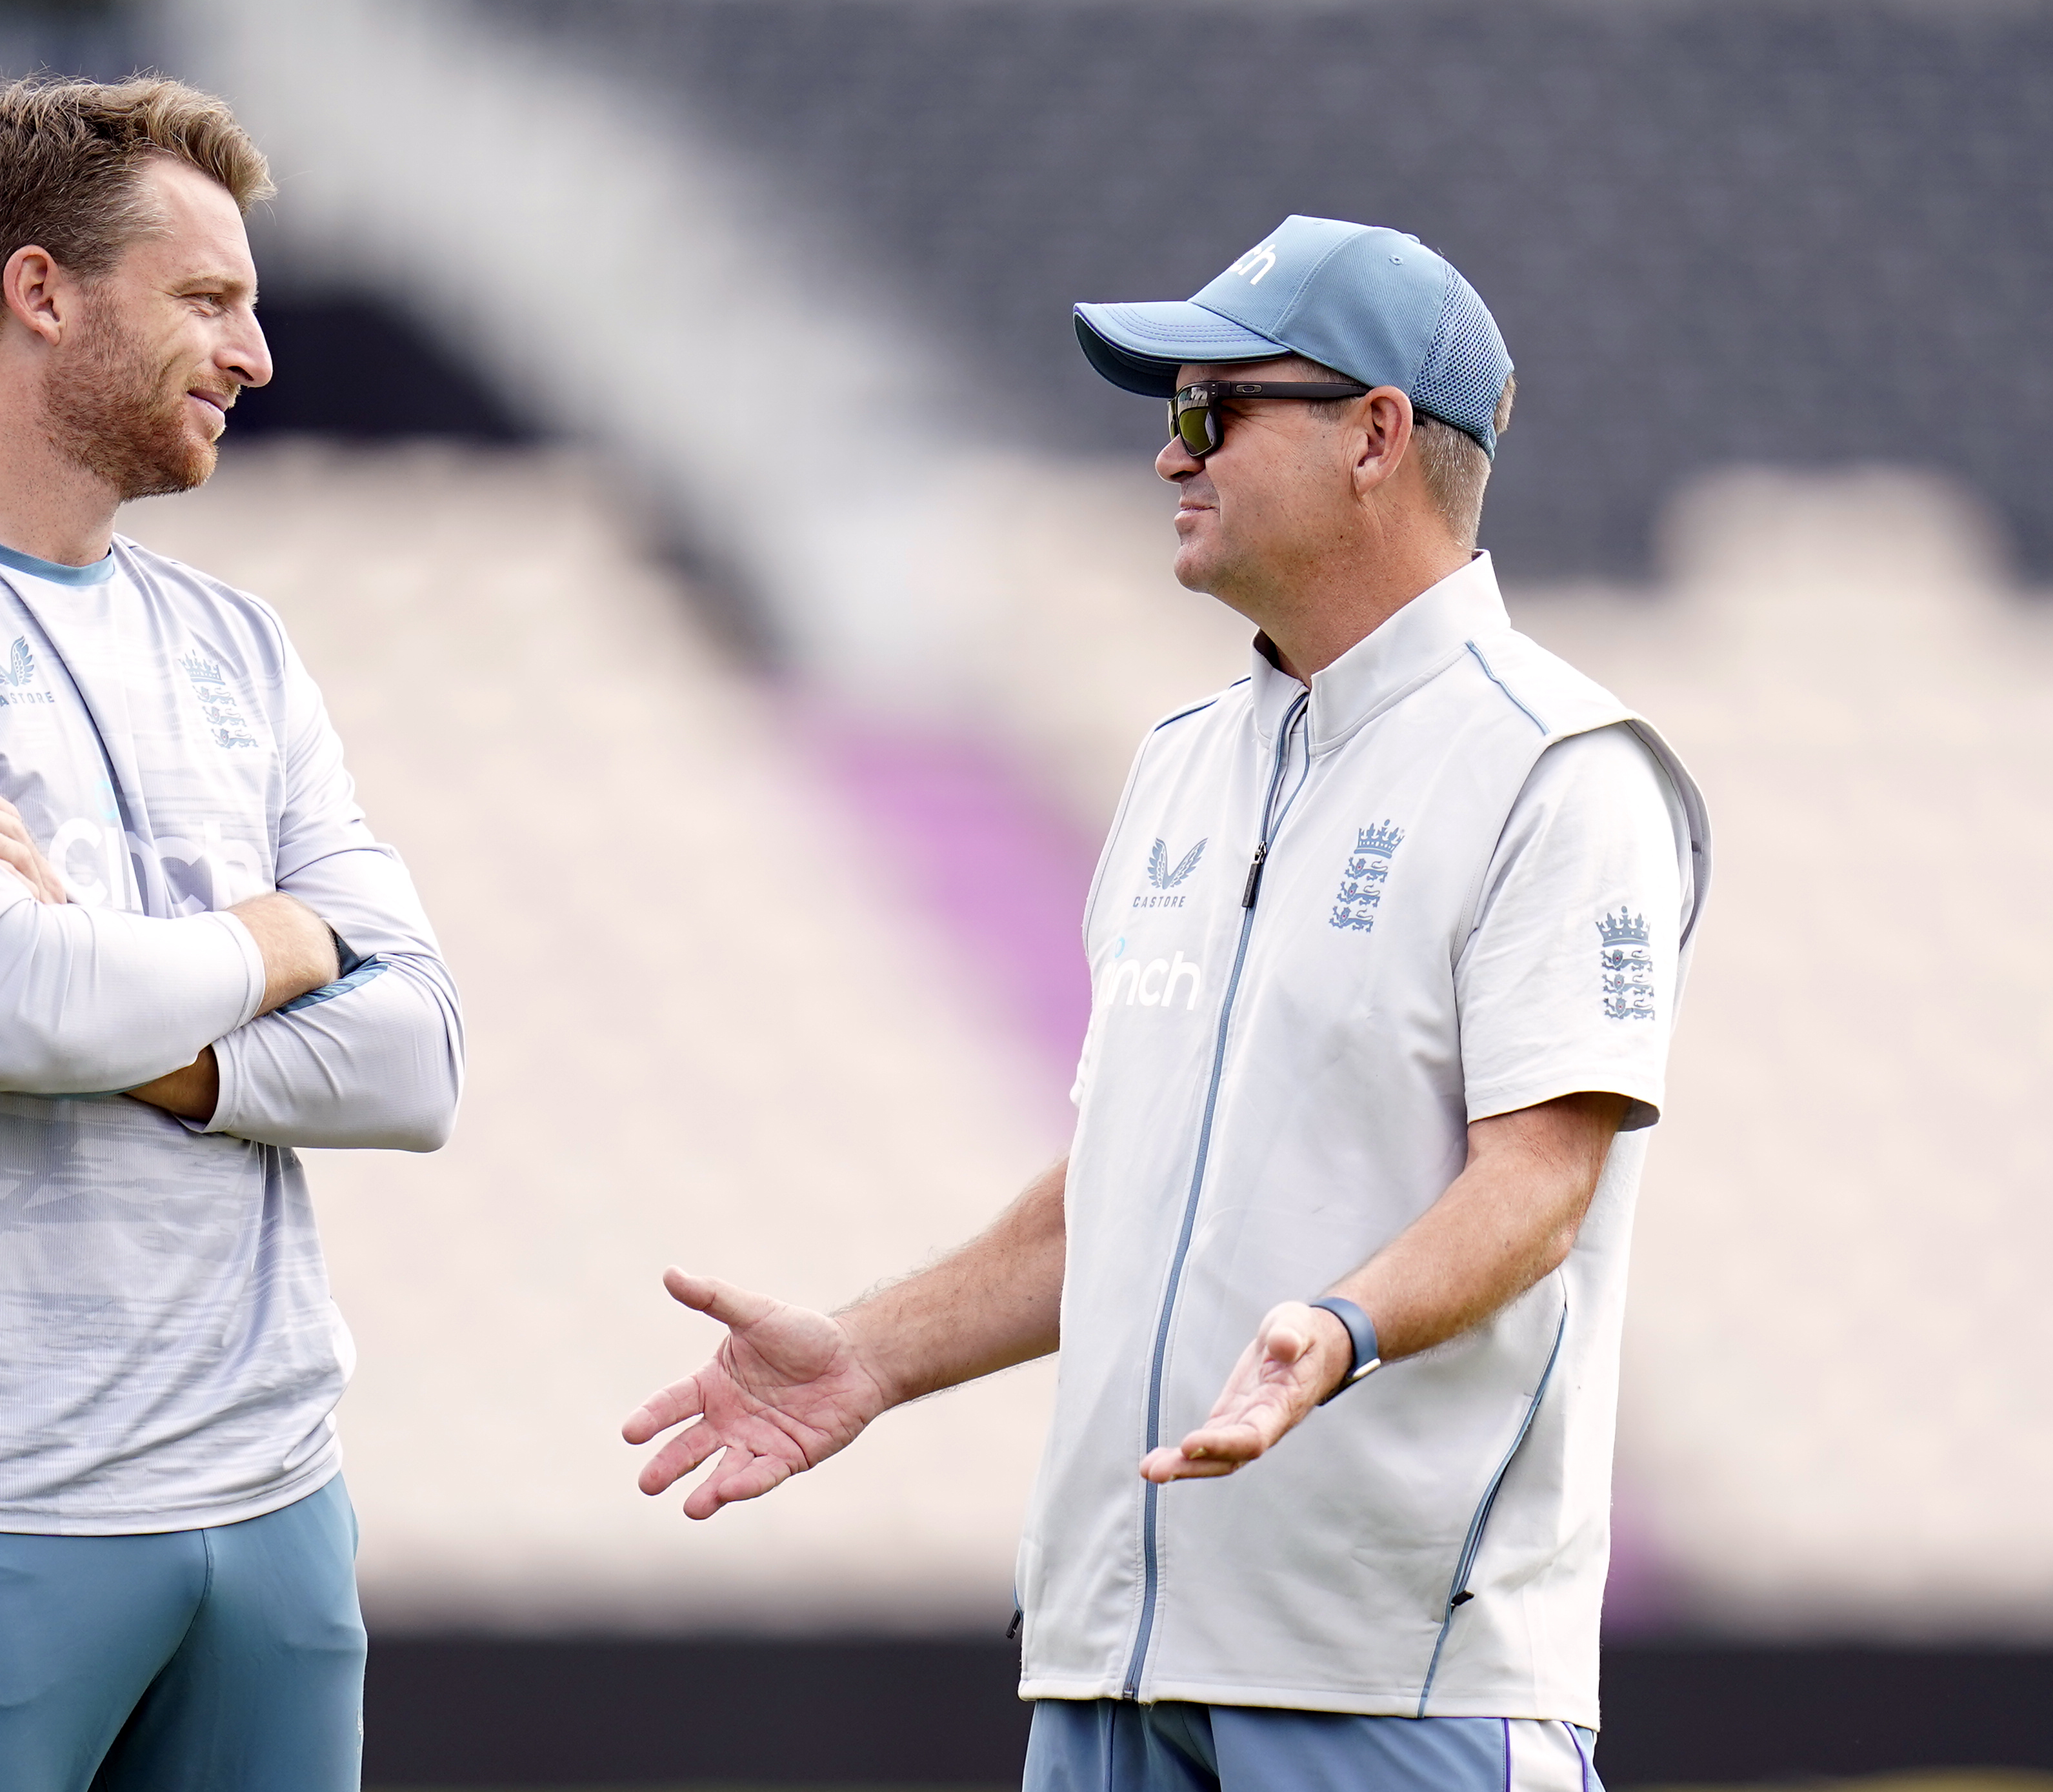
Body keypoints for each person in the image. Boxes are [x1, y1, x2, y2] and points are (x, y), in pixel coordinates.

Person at [624, 216, 1709, 1791]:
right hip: (1107, 1674)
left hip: (1390, 1681)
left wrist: (1336, 1333)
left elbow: (1542, 1178)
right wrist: (869, 1354)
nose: (1166, 455)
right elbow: (1120, 1196)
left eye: (1211, 411)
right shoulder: (1180, 762)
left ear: (1376, 437)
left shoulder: (1562, 768)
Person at [0, 76, 461, 1792]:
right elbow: (22, 1013)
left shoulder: (241, 643)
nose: (256, 353)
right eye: (209, 299)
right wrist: (285, 930)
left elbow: (420, 1057)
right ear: (40, 291)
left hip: (277, 1509)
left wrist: (138, 1006)